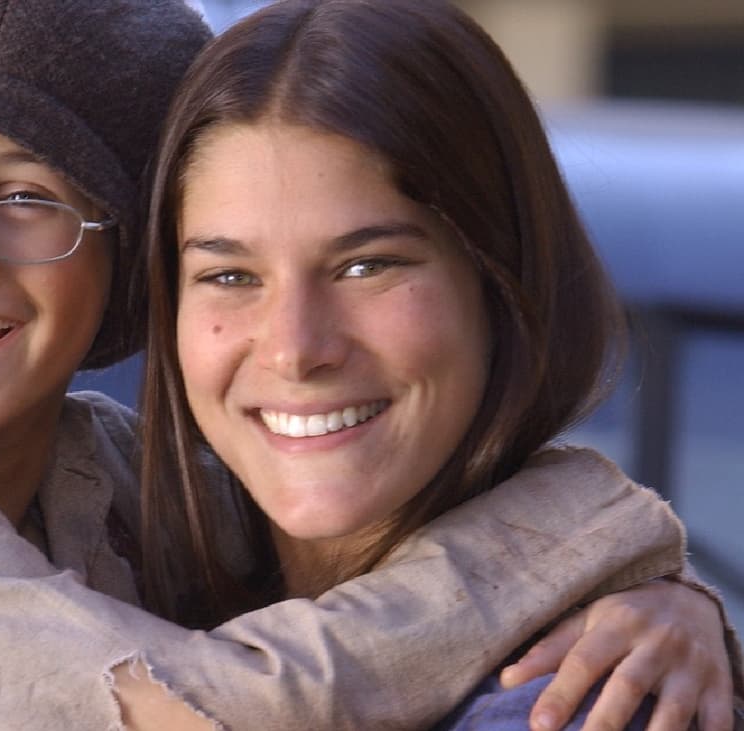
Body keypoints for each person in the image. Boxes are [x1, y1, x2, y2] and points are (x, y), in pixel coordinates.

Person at [0, 0, 736, 729]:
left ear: (119, 265)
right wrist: (571, 525)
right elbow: (190, 709)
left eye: (29, 200)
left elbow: (329, 582)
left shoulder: (109, 471)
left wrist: (668, 600)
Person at [136, 0, 744, 729]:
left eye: (367, 265)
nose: (294, 348)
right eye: (230, 276)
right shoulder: (109, 563)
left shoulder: (578, 700)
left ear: (500, 279)